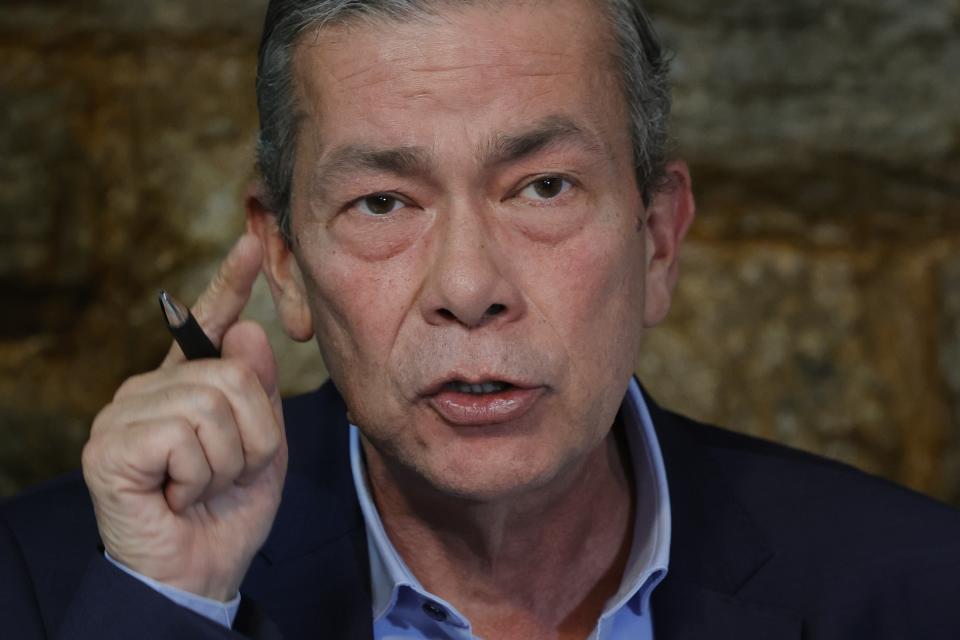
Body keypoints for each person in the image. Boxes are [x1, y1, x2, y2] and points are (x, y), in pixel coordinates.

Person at [3, 0, 960, 638]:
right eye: (383, 202)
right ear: (284, 262)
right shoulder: (60, 585)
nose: (468, 285)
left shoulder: (919, 586)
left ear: (658, 241)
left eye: (542, 187)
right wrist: (171, 602)